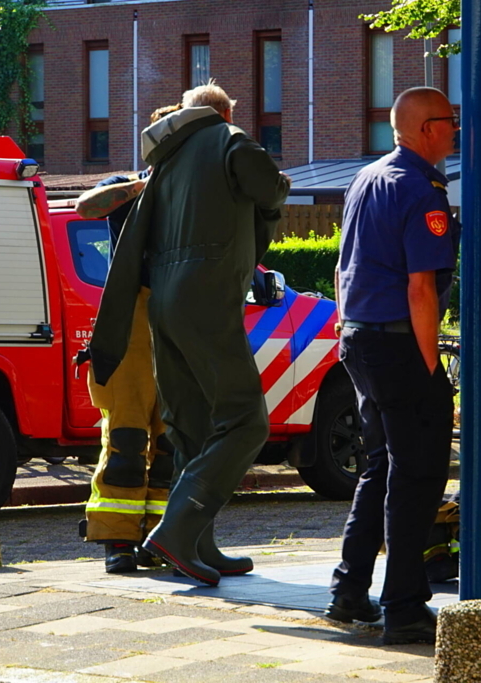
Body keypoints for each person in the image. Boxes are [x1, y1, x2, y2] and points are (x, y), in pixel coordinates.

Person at [89, 81, 290, 586]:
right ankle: (177, 533)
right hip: (206, 299)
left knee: (190, 429)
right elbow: (270, 188)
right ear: (223, 114)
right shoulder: (228, 139)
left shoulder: (164, 161)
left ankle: (198, 545)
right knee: (246, 423)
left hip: (161, 306)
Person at [325, 86, 460, 645]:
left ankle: (349, 589)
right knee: (418, 474)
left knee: (381, 467)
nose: (455, 129)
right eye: (449, 120)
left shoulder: (368, 177)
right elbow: (421, 289)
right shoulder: (422, 190)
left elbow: (342, 267)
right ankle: (403, 607)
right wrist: (430, 369)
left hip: (360, 339)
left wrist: (346, 329)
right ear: (426, 129)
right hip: (399, 346)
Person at [78, 103, 179, 574]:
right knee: (127, 436)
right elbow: (85, 207)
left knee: (173, 444)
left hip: (179, 317)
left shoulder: (197, 193)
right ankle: (117, 542)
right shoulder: (128, 186)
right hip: (132, 320)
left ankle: (161, 540)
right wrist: (143, 187)